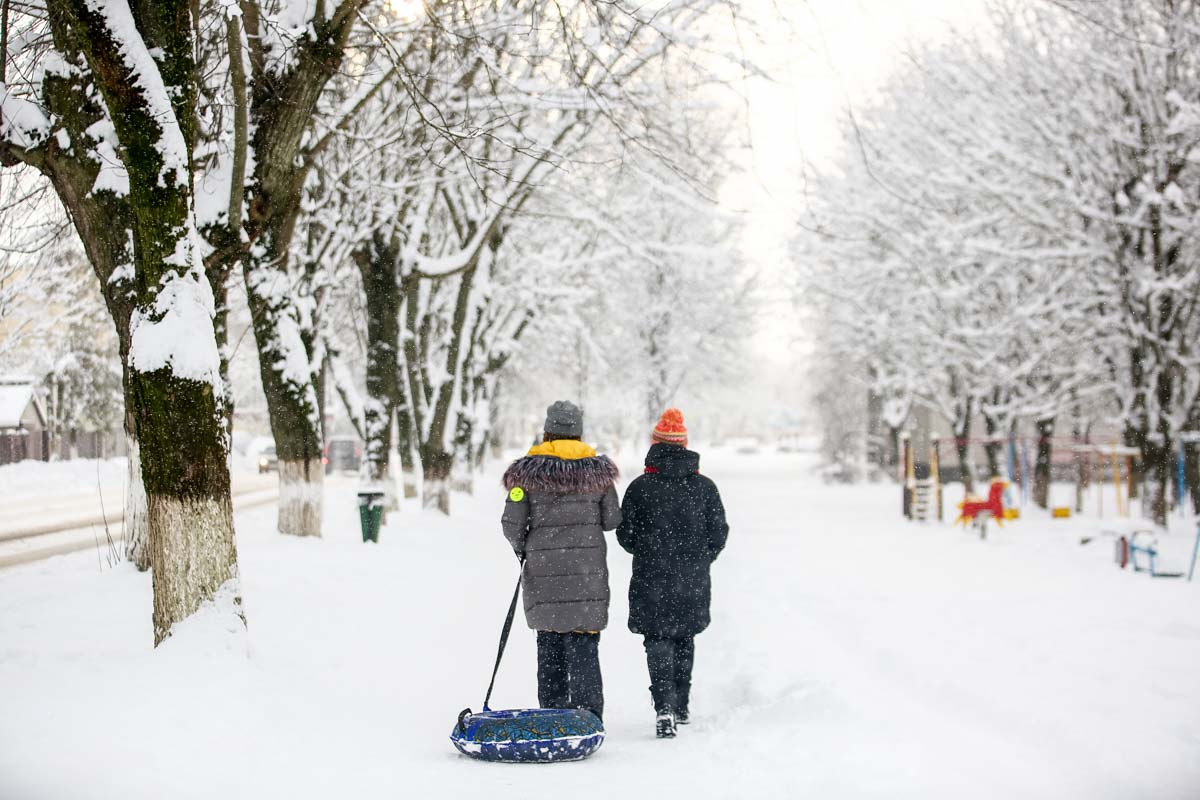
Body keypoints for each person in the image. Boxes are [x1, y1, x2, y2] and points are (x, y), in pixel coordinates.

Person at [501, 401, 621, 722]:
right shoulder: (599, 474)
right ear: (579, 432)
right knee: (583, 647)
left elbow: (511, 524)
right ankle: (588, 716)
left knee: (550, 643)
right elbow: (612, 519)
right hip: (587, 575)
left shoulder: (526, 473)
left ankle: (553, 714)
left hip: (543, 574)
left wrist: (526, 549)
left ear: (547, 430)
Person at [617, 408, 728, 738]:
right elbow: (718, 532)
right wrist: (700, 558)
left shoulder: (640, 487)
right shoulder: (705, 487)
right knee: (684, 637)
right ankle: (681, 705)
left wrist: (647, 551)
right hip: (691, 578)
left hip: (651, 576)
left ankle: (663, 706)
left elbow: (625, 533)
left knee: (657, 638)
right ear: (685, 445)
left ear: (655, 444)